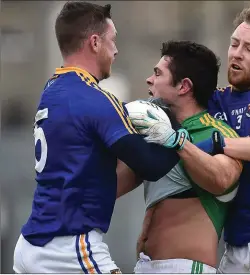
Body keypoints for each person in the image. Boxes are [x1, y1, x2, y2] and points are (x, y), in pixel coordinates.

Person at [128, 3, 250, 273]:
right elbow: (173, 102)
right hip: (236, 245)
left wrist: (220, 144)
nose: (237, 54)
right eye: (235, 44)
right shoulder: (216, 100)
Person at [12, 2, 183, 273]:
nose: (115, 50)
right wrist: (177, 129)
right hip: (69, 246)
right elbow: (150, 165)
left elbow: (92, 165)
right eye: (112, 40)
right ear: (94, 42)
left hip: (30, 245)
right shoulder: (96, 99)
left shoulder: (52, 89)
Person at [122, 40, 242, 273]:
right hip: (145, 267)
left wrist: (175, 141)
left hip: (186, 268)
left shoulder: (217, 132)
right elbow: (112, 185)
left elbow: (223, 178)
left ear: (184, 87)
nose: (149, 80)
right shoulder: (155, 131)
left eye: (158, 73)